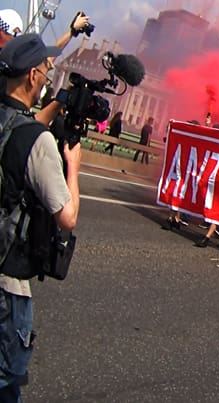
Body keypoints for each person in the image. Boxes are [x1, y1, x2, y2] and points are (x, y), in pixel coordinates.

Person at [0, 33, 80, 400]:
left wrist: (59, 107)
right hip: (6, 284)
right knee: (7, 382)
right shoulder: (39, 142)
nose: (47, 77)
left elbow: (21, 124)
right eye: (45, 71)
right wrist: (73, 168)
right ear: (32, 77)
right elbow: (67, 217)